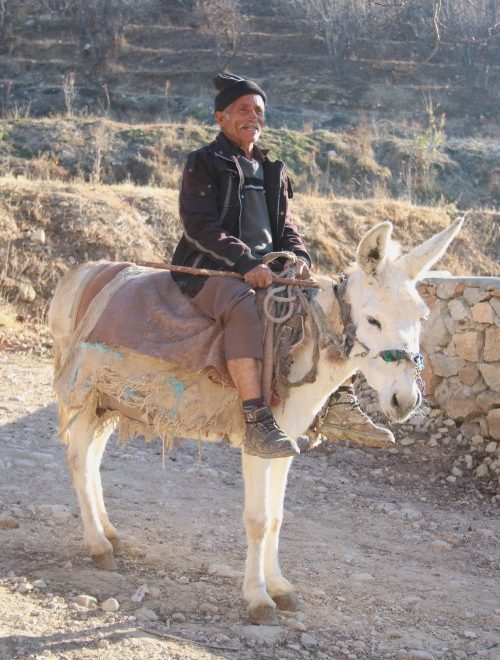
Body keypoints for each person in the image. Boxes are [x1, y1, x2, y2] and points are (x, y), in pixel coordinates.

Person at [171, 73, 394, 458]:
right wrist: (246, 262)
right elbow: (199, 226)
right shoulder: (204, 162)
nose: (253, 117)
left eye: (259, 111)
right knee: (242, 306)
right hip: (214, 269)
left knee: (335, 301)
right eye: (243, 110)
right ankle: (257, 418)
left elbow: (286, 228)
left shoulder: (274, 168)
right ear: (220, 117)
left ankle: (341, 401)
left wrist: (301, 260)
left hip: (270, 269)